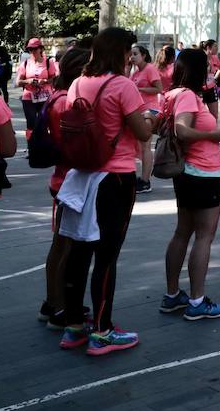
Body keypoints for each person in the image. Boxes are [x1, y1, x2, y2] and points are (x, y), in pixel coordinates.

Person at [59, 27, 155, 356]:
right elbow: (142, 132)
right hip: (114, 177)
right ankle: (102, 331)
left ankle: (73, 326)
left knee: (78, 251)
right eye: (129, 50)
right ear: (119, 52)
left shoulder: (77, 82)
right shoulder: (122, 85)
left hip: (82, 176)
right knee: (107, 256)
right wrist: (154, 117)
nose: (132, 56)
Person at [159, 48, 220, 321]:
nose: (211, 72)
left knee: (182, 232)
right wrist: (212, 135)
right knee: (203, 236)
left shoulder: (173, 94)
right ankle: (197, 301)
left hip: (186, 173)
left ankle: (173, 294)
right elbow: (182, 129)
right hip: (202, 172)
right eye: (207, 69)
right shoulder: (187, 96)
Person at [38, 43, 91, 331]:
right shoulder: (66, 102)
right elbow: (72, 146)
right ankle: (57, 306)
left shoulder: (58, 96)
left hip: (64, 179)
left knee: (62, 244)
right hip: (68, 181)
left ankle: (53, 302)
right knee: (64, 246)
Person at [129, 45, 163, 195]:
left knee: (145, 145)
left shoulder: (150, 69)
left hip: (150, 109)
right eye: (131, 54)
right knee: (138, 145)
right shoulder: (135, 72)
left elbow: (158, 88)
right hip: (138, 110)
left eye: (135, 54)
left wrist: (140, 89)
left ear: (143, 55)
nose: (132, 57)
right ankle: (142, 178)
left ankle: (145, 181)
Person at [16, 37, 58, 137]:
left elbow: (55, 78)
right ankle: (31, 147)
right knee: (31, 124)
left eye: (35, 49)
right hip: (29, 98)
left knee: (45, 123)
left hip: (45, 98)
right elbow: (18, 82)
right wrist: (29, 81)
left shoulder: (48, 63)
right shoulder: (25, 64)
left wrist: (45, 81)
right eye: (30, 49)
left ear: (40, 49)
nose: (33, 51)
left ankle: (44, 146)